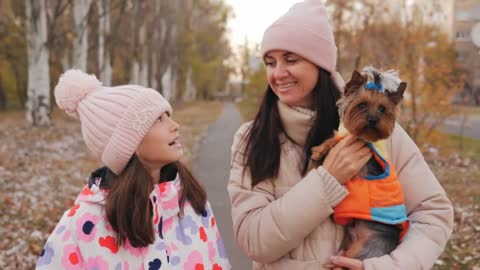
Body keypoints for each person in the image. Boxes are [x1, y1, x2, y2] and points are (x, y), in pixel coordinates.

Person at [227, 0, 453, 269]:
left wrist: (381, 267)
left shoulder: (376, 130)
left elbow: (434, 214)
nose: (277, 73)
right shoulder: (252, 138)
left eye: (291, 59)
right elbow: (253, 240)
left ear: (320, 64)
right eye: (269, 62)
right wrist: (327, 180)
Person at [36, 70, 231, 270]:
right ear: (129, 144)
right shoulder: (80, 227)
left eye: (168, 116)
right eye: (158, 120)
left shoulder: (192, 202)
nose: (175, 125)